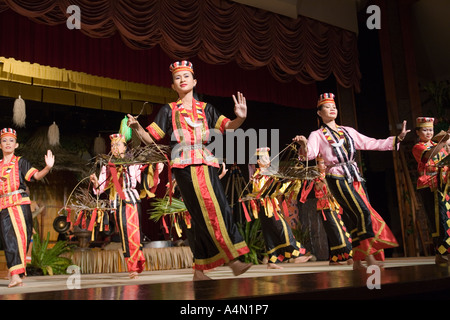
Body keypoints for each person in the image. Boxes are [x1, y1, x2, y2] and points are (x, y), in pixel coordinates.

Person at [127, 60, 252, 280]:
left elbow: (228, 127)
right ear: (173, 86)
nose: (182, 80)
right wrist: (137, 127)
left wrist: (240, 117)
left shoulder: (207, 109)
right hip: (185, 165)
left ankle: (200, 269)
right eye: (177, 77)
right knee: (214, 208)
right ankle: (233, 259)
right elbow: (151, 139)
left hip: (206, 162)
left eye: (186, 76)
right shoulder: (168, 110)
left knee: (201, 214)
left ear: (194, 81)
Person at [293, 93, 407, 270]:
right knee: (362, 212)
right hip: (336, 177)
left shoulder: (348, 131)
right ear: (319, 112)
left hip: (353, 176)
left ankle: (356, 261)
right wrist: (303, 144)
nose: (332, 109)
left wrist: (395, 140)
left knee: (355, 217)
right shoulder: (317, 134)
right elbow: (310, 155)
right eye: (327, 106)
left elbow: (371, 143)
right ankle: (369, 258)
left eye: (334, 106)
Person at [0, 128, 54, 287]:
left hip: (20, 204)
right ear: (0, 145)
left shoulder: (21, 162)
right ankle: (15, 274)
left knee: (21, 239)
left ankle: (16, 274)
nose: (8, 143)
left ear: (16, 145)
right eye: (4, 140)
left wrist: (47, 168)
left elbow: (35, 176)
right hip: (3, 205)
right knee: (8, 239)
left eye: (11, 141)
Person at [90, 133, 147, 279]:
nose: (114, 147)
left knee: (135, 232)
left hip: (132, 199)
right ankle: (132, 266)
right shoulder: (108, 165)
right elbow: (100, 188)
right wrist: (96, 182)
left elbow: (143, 180)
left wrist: (154, 170)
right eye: (112, 145)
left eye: (118, 145)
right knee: (126, 233)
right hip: (118, 200)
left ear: (125, 147)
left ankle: (137, 263)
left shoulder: (132, 162)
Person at [249, 147, 311, 269]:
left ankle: (272, 261)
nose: (268, 160)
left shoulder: (265, 175)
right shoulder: (259, 176)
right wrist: (285, 183)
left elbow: (276, 191)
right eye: (264, 158)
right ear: (259, 162)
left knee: (270, 233)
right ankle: (296, 253)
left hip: (269, 207)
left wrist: (290, 182)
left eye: (268, 157)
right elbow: (266, 192)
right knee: (283, 228)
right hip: (267, 208)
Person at [300, 154, 353, 265]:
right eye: (322, 163)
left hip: (333, 205)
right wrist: (324, 180)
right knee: (336, 231)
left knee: (336, 231)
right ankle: (348, 256)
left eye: (325, 162)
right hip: (325, 207)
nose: (324, 165)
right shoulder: (317, 177)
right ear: (317, 165)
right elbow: (318, 189)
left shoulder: (330, 174)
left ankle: (334, 258)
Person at [412, 117, 450, 264]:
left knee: (447, 218)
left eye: (431, 129)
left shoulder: (437, 143)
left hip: (444, 183)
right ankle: (441, 253)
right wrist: (444, 141)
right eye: (425, 130)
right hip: (429, 185)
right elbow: (430, 155)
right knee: (438, 219)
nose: (428, 132)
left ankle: (444, 253)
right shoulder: (418, 147)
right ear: (418, 132)